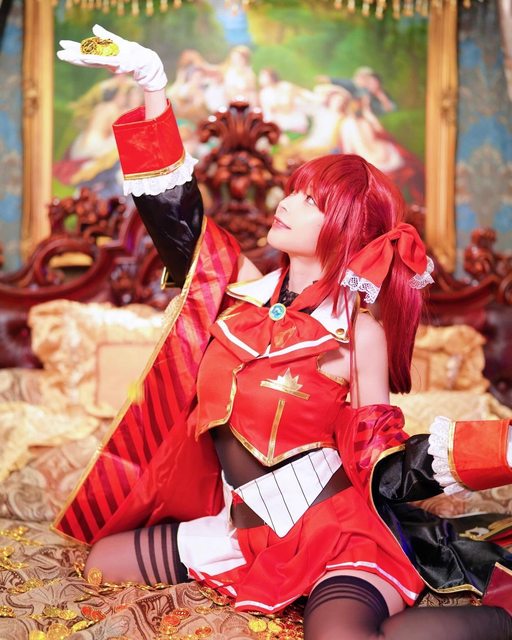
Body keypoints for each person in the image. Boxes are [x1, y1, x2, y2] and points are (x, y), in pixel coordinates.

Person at [55, 26, 512, 639]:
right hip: (242, 528)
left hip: (332, 529)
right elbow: (176, 217)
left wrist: (499, 449)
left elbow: (383, 460)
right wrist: (152, 86)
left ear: (345, 227)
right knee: (102, 562)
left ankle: (502, 619)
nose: (286, 202)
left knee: (340, 636)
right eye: (293, 190)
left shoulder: (357, 328)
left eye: (310, 199)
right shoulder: (240, 292)